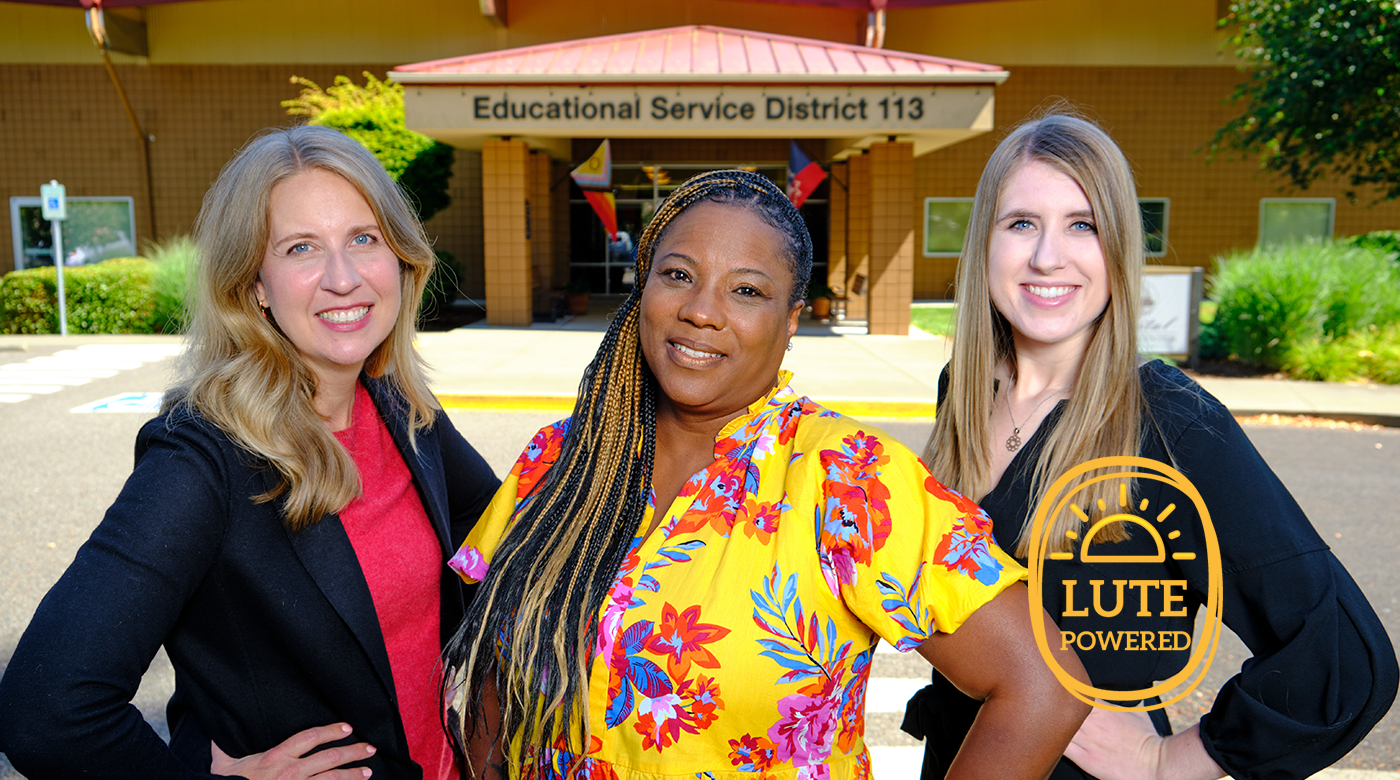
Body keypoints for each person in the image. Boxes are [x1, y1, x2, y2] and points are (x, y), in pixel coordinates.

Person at [441, 169, 1091, 779]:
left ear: (790, 321)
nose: (703, 310)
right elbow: (496, 692)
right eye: (677, 275)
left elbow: (1044, 685)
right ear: (644, 290)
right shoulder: (557, 461)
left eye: (747, 290)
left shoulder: (846, 478)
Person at [901, 112, 1398, 780]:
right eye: (1021, 223)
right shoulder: (963, 390)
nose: (1048, 256)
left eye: (1084, 224)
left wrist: (1168, 760)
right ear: (984, 242)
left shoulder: (1169, 424)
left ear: (1118, 248)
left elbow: (1341, 656)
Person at [0, 125, 501, 779]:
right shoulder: (202, 459)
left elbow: (495, 534)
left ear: (399, 258)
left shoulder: (396, 406)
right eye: (301, 248)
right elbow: (46, 710)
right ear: (255, 285)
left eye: (362, 238)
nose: (344, 277)